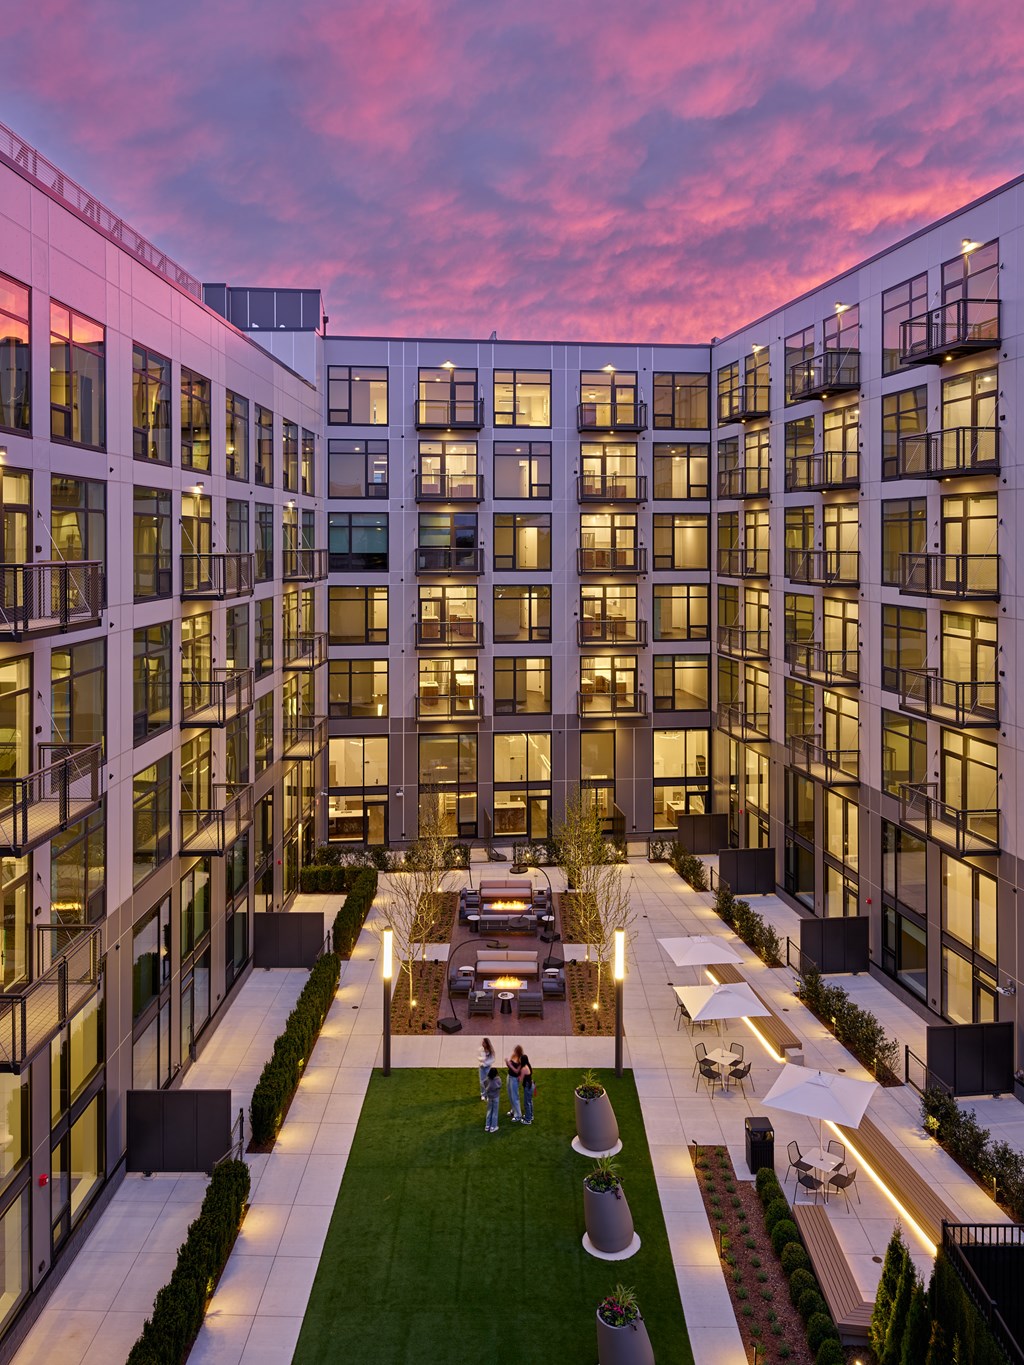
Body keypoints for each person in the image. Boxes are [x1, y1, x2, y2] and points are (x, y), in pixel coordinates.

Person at [506, 1045, 523, 1122]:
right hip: (509, 1076)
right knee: (510, 1094)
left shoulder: (520, 1060)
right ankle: (513, 1110)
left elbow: (516, 1071)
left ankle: (518, 1114)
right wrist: (507, 1063)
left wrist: (510, 1065)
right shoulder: (513, 1056)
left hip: (514, 1078)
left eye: (515, 1051)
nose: (514, 1052)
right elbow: (509, 1065)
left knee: (515, 1096)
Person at [483, 1067, 501, 1133]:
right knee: (495, 1112)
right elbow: (500, 1085)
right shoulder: (498, 1079)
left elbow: (484, 1084)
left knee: (489, 1111)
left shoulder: (487, 1080)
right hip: (496, 1097)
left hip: (489, 1097)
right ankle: (493, 1126)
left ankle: (487, 1125)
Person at [520, 1052, 534, 1124]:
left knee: (527, 1103)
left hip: (527, 1086)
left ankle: (528, 1119)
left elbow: (520, 1079)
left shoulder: (524, 1069)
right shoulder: (528, 1066)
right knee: (530, 1101)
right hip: (531, 1085)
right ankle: (530, 1115)